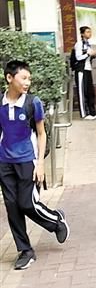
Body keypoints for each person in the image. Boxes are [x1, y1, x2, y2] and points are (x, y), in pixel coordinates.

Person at [0, 60, 69, 270]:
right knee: (12, 207)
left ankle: (56, 220)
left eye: (29, 78)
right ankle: (25, 250)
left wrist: (40, 164)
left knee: (27, 203)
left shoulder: (33, 102)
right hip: (4, 162)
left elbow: (41, 133)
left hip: (27, 160)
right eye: (23, 78)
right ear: (9, 78)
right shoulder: (0, 102)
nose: (27, 82)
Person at [73, 25, 96, 119]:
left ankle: (93, 113)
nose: (90, 33)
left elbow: (89, 56)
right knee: (82, 91)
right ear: (82, 34)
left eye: (90, 32)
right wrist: (88, 54)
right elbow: (78, 57)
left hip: (88, 69)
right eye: (87, 32)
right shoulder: (79, 44)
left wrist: (94, 54)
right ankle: (84, 114)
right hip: (81, 69)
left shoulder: (88, 44)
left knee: (90, 91)